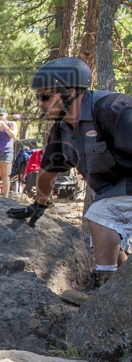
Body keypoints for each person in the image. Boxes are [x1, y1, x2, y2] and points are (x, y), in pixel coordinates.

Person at [7, 57, 132, 304]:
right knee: (111, 225)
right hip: (118, 191)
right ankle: (122, 290)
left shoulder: (115, 110)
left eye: (45, 97)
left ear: (70, 92)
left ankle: (104, 293)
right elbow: (47, 173)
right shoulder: (62, 129)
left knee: (101, 216)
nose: (39, 104)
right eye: (37, 97)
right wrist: (39, 204)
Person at [0, 108, 19, 196]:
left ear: (6, 115)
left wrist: (5, 126)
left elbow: (13, 135)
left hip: (6, 152)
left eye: (1, 115)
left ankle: (5, 197)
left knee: (5, 176)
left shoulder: (12, 123)